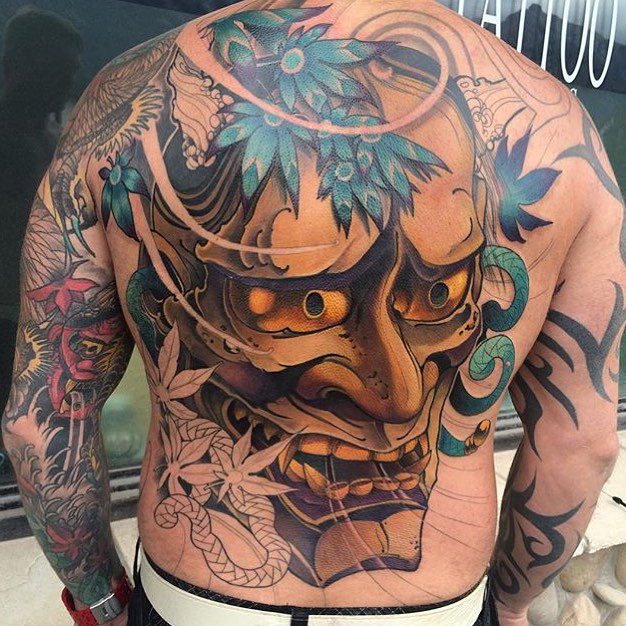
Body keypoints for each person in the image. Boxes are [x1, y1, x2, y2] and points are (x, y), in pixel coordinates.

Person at [2, 1, 624, 625]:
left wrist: (103, 600)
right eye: (306, 303)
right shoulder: (560, 134)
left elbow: (41, 420)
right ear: (169, 295)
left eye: (436, 295)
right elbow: (581, 442)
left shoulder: (127, 102)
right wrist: (510, 605)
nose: (399, 399)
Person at [0, 8, 83, 412]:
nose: (66, 82)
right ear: (18, 64)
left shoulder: (52, 136)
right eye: (55, 69)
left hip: (39, 319)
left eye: (69, 72)